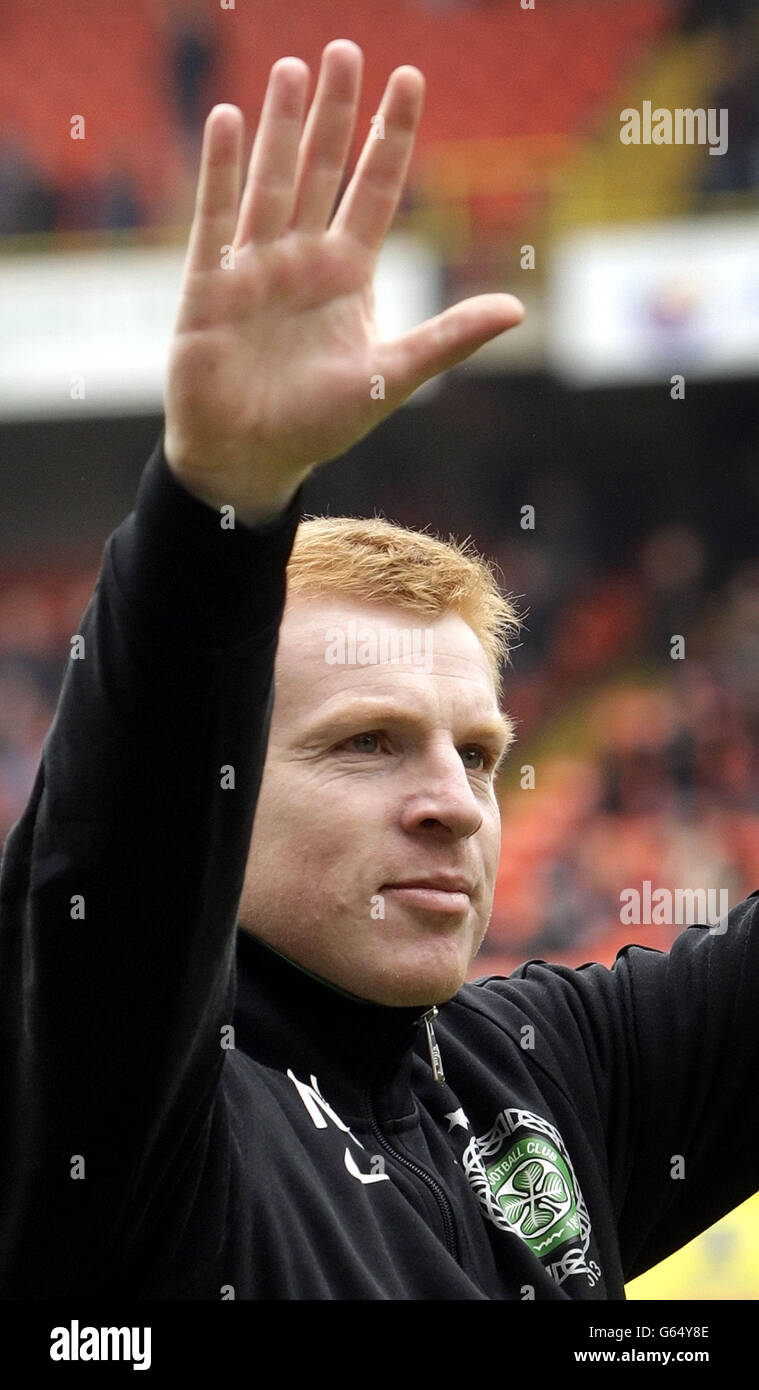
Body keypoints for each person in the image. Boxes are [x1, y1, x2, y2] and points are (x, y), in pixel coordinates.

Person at [1, 39, 757, 1301]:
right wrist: (221, 501)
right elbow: (112, 871)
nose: (454, 802)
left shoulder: (541, 1068)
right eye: (367, 741)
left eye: (477, 753)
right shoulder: (126, 1122)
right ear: (222, 792)